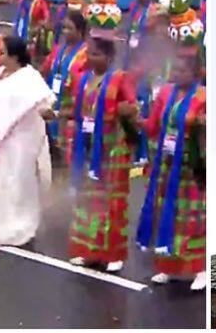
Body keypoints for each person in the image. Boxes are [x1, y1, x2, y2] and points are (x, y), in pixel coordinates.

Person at [0, 36, 56, 248]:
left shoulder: (30, 77)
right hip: (2, 140)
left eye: (3, 52)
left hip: (22, 140)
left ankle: (18, 225)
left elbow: (44, 101)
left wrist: (47, 112)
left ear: (15, 57)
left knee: (18, 181)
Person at [66, 34, 138, 273]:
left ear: (109, 57)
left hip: (113, 151)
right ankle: (89, 251)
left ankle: (113, 253)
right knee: (89, 201)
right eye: (89, 53)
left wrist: (122, 110)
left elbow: (132, 109)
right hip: (88, 149)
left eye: (96, 54)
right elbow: (76, 111)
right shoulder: (84, 80)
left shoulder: (119, 80)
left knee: (112, 203)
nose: (90, 58)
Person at [136, 50, 206, 291]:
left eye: (183, 70)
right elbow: (154, 126)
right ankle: (170, 266)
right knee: (168, 214)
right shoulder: (166, 93)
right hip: (166, 165)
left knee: (193, 219)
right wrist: (134, 120)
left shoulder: (204, 98)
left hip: (190, 168)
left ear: (196, 73)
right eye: (175, 69)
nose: (176, 74)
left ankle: (201, 268)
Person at [41, 10, 88, 161]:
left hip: (70, 112)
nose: (65, 32)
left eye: (70, 28)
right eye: (63, 28)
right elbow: (45, 69)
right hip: (52, 103)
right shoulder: (58, 50)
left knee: (67, 157)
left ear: (80, 31)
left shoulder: (86, 54)